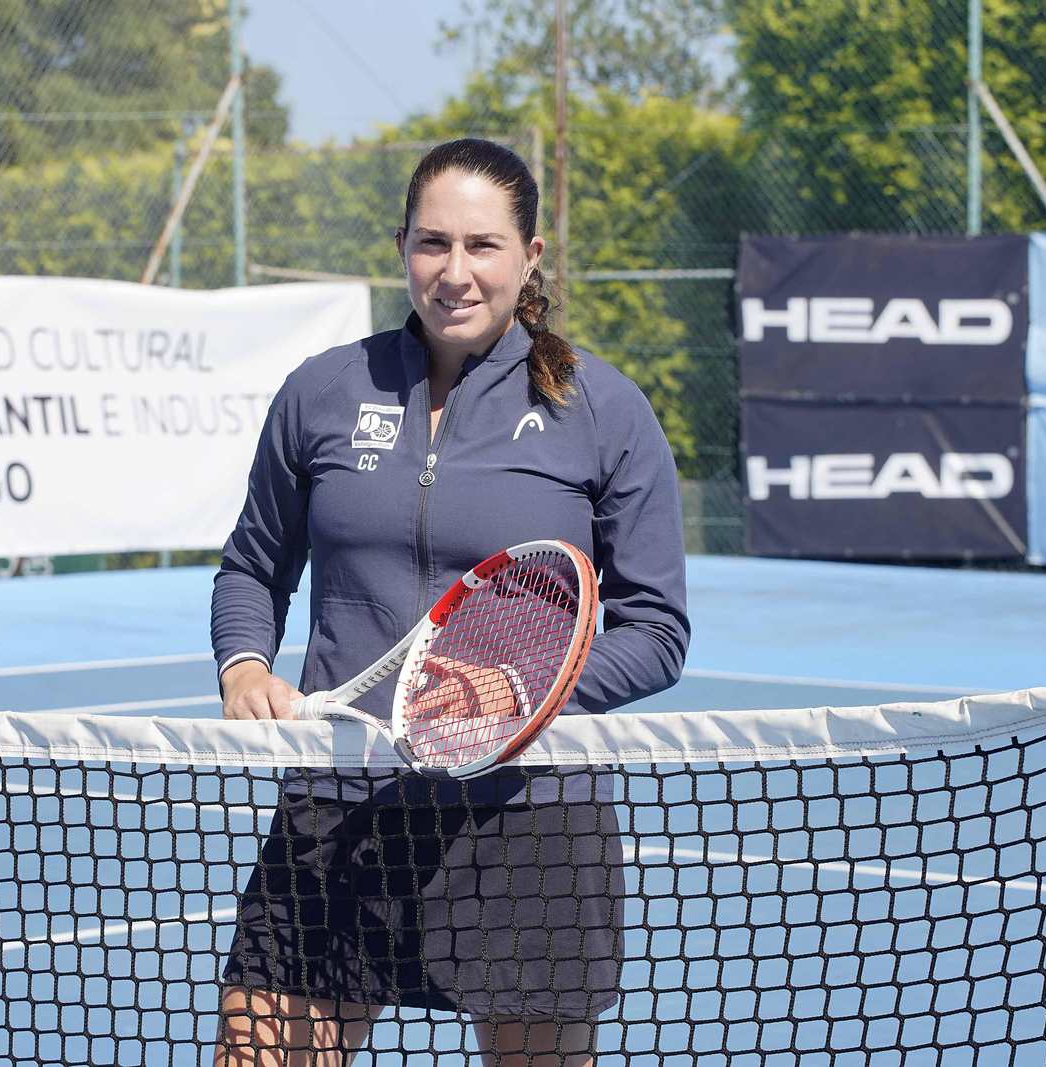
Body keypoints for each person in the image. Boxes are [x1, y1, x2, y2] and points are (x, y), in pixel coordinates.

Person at [209, 138, 690, 1067]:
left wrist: (522, 692)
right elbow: (253, 566)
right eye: (433, 243)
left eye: (483, 245)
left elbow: (657, 631)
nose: (455, 271)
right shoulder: (321, 393)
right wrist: (244, 664)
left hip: (528, 816)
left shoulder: (604, 410)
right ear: (402, 247)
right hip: (339, 798)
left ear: (530, 257)